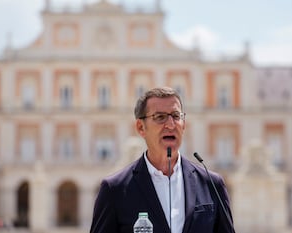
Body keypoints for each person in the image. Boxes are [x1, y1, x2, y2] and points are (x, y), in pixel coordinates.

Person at [90, 87, 235, 233]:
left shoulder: (212, 184)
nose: (171, 125)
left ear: (183, 124)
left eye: (176, 116)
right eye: (160, 117)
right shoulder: (115, 189)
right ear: (141, 127)